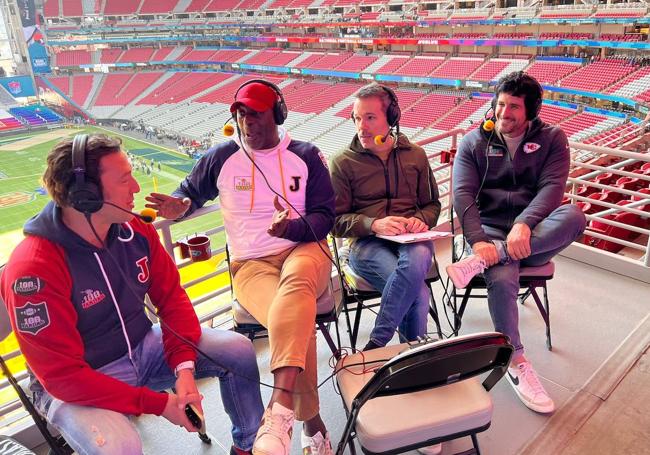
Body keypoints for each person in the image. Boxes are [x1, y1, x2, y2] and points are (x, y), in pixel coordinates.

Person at [0, 134, 263, 455]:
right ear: (86, 195)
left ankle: (249, 447)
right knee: (118, 447)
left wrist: (184, 369)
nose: (136, 188)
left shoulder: (136, 230)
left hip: (143, 348)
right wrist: (159, 403)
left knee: (237, 349)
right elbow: (62, 377)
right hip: (76, 382)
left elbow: (171, 300)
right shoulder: (34, 267)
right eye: (125, 179)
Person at [145, 80, 336, 455]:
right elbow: (190, 192)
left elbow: (325, 217)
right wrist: (179, 204)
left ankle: (278, 410)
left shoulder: (307, 155)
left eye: (257, 113)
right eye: (242, 113)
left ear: (277, 114)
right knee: (294, 320)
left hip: (304, 247)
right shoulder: (220, 157)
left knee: (295, 288)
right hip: (250, 264)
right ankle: (311, 423)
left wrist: (290, 228)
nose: (248, 121)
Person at [448, 72, 587, 414]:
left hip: (535, 230)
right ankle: (516, 360)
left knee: (575, 216)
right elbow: (462, 194)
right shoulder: (473, 141)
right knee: (502, 275)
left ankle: (494, 257)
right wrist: (480, 241)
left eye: (513, 107)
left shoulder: (553, 138)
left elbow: (553, 188)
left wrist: (524, 224)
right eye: (499, 104)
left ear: (532, 111)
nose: (503, 113)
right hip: (489, 231)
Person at [329, 82, 442, 455]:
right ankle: (411, 369)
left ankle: (375, 350)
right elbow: (335, 221)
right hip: (366, 246)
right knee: (419, 289)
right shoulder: (342, 162)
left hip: (412, 243)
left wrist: (419, 222)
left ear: (391, 117)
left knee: (418, 262)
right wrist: (373, 224)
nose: (361, 125)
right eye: (357, 117)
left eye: (370, 117)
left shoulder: (417, 155)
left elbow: (432, 205)